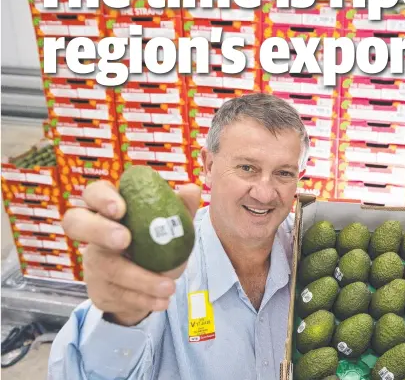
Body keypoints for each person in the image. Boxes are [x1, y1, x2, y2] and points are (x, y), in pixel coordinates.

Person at [47, 93, 310, 380]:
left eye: (283, 173)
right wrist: (120, 318)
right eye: (247, 168)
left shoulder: (316, 248)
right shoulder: (160, 268)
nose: (264, 193)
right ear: (208, 166)